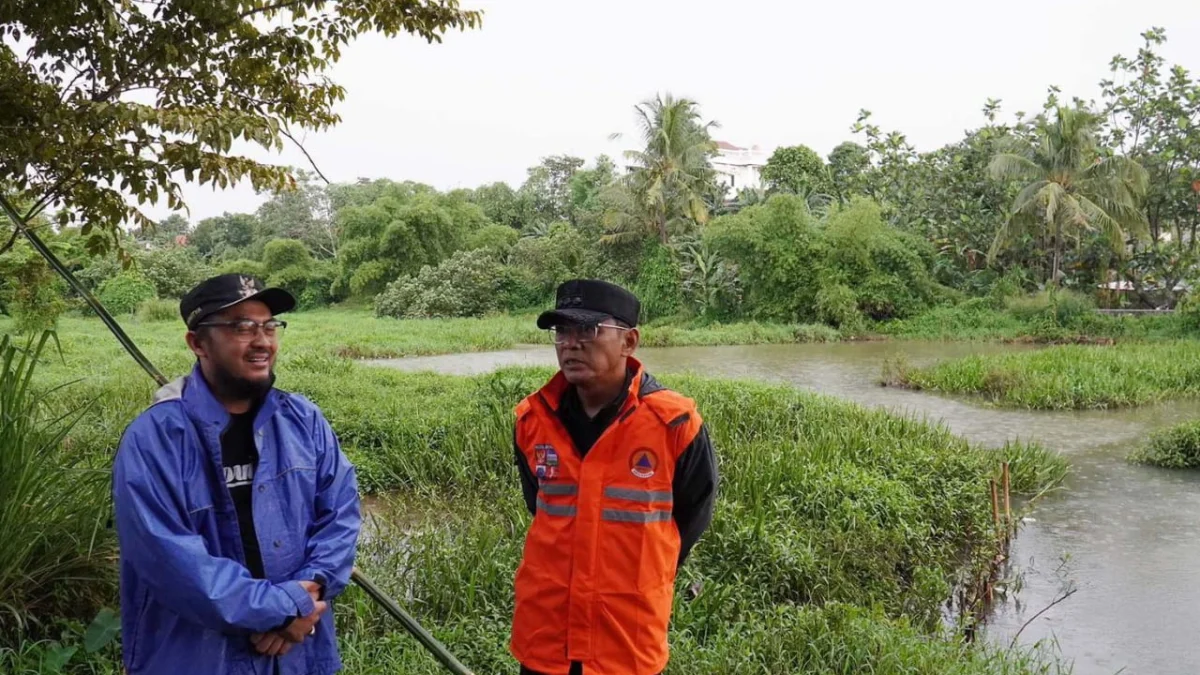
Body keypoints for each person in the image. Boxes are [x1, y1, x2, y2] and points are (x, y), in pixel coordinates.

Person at [112, 274, 361, 675]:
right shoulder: (155, 439)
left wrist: (309, 589)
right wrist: (288, 608)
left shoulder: (303, 420)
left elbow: (341, 516)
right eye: (242, 327)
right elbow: (171, 563)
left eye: (269, 326)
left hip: (298, 656)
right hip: (195, 657)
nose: (262, 341)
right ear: (197, 343)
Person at [511, 279, 719, 675]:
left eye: (588, 330)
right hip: (545, 640)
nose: (570, 343)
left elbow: (692, 516)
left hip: (625, 642)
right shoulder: (531, 421)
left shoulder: (674, 423)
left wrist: (644, 570)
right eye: (562, 331)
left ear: (629, 341)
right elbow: (538, 506)